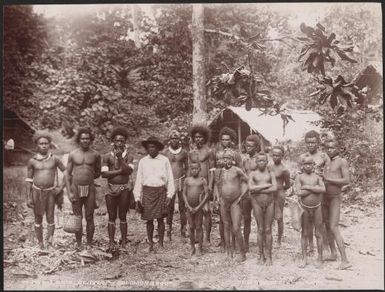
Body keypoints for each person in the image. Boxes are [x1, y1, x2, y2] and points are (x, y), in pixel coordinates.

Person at [26, 131, 70, 250]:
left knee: (50, 217)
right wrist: (28, 197)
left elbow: (67, 173)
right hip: (36, 192)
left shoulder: (55, 159)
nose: (44, 145)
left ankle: (49, 242)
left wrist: (60, 188)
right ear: (37, 144)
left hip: (51, 192)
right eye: (41, 143)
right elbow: (29, 180)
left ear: (49, 144)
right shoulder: (32, 161)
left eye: (46, 143)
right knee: (38, 217)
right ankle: (40, 243)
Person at [133, 136, 174, 252]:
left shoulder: (164, 160)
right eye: (149, 147)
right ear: (147, 148)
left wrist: (170, 195)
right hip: (147, 192)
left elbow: (170, 178)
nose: (151, 149)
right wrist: (137, 198)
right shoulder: (143, 161)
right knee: (149, 219)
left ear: (157, 148)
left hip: (161, 191)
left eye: (153, 147)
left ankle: (160, 244)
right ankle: (150, 244)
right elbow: (139, 180)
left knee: (161, 219)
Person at [66, 127, 101, 249]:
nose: (85, 141)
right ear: (79, 140)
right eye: (82, 138)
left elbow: (97, 172)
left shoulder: (96, 155)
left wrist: (88, 178)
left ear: (90, 140)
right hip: (75, 188)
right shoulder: (73, 154)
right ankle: (79, 244)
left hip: (90, 188)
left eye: (87, 138)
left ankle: (89, 243)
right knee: (77, 216)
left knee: (90, 216)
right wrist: (69, 191)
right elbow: (67, 174)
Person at [101, 127, 134, 249]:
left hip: (124, 189)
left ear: (125, 142)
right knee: (111, 215)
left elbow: (129, 171)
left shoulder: (128, 156)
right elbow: (104, 174)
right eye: (117, 141)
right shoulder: (107, 156)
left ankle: (124, 241)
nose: (119, 143)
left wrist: (120, 158)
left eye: (122, 141)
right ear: (113, 142)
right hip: (111, 188)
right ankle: (111, 241)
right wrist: (120, 171)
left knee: (123, 215)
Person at [213, 150, 248, 262]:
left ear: (232, 160)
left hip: (235, 202)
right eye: (224, 158)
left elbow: (247, 181)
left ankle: (242, 253)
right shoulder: (220, 172)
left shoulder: (237, 170)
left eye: (228, 158)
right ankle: (229, 253)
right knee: (226, 226)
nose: (226, 160)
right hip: (223, 202)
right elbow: (217, 185)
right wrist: (218, 198)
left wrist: (241, 196)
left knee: (236, 227)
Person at [212, 127, 243, 251]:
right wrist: (215, 191)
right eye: (223, 140)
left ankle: (235, 243)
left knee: (234, 219)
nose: (225, 142)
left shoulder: (236, 154)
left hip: (233, 186)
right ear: (220, 140)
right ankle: (224, 242)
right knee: (222, 217)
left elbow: (240, 172)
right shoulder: (217, 153)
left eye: (228, 140)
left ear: (231, 140)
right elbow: (214, 171)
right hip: (220, 184)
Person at [322, 139, 351, 270]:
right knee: (327, 226)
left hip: (334, 198)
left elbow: (346, 180)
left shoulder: (342, 162)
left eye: (332, 147)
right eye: (327, 148)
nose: (330, 150)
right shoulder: (328, 162)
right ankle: (333, 254)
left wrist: (328, 179)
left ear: (338, 148)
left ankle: (345, 260)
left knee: (334, 226)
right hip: (325, 197)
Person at [299, 130, 330, 253]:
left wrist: (320, 176)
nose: (310, 145)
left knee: (321, 219)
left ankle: (325, 245)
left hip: (320, 190)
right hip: (306, 190)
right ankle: (310, 245)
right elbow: (300, 173)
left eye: (313, 142)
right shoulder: (303, 157)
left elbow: (328, 173)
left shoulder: (323, 156)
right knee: (307, 220)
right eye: (308, 143)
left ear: (318, 142)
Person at [295, 155, 326, 268]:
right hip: (304, 207)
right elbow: (299, 193)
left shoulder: (318, 177)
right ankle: (304, 258)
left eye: (310, 164)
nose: (308, 166)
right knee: (304, 233)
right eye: (305, 164)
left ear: (313, 166)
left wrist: (307, 187)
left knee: (318, 233)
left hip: (317, 207)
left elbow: (323, 189)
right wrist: (314, 189)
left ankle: (320, 258)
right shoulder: (299, 177)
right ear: (302, 166)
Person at [248, 152, 277, 265]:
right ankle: (261, 255)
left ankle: (269, 256)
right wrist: (266, 185)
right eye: (259, 160)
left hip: (270, 202)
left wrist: (257, 189)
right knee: (260, 229)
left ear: (267, 162)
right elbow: (250, 188)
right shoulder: (253, 174)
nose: (261, 162)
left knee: (268, 229)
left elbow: (274, 188)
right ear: (256, 162)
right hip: (256, 202)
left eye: (263, 160)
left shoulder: (271, 174)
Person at [188, 125, 215, 245]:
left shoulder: (209, 151)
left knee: (206, 211)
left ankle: (207, 238)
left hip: (205, 185)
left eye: (200, 137)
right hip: (194, 185)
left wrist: (210, 186)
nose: (198, 139)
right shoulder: (191, 153)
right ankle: (197, 236)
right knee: (194, 209)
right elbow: (190, 170)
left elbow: (212, 171)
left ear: (205, 138)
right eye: (196, 137)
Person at [163, 130, 189, 240]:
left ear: (179, 140)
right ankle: (168, 232)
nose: (174, 140)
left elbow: (187, 168)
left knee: (183, 207)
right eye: (172, 138)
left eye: (176, 138)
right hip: (169, 181)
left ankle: (183, 231)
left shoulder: (184, 152)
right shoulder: (165, 153)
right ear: (169, 140)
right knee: (169, 207)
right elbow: (162, 168)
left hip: (181, 181)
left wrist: (186, 181)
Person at [183, 162, 210, 256]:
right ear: (190, 169)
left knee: (198, 226)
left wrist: (199, 207)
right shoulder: (187, 180)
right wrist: (188, 205)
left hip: (199, 207)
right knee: (190, 227)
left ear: (199, 169)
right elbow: (184, 193)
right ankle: (192, 247)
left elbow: (207, 194)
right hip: (189, 207)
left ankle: (200, 248)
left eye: (196, 169)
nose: (194, 170)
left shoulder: (202, 180)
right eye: (192, 169)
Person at [241, 135, 261, 252]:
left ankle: (261, 243)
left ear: (256, 147)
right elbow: (242, 175)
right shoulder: (245, 160)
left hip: (258, 193)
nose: (248, 148)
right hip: (246, 192)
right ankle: (246, 244)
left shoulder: (260, 159)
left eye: (251, 146)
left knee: (259, 219)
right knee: (246, 218)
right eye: (247, 146)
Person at [270, 145, 291, 246]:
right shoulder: (268, 167)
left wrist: (280, 189)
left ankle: (279, 240)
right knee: (268, 215)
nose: (275, 157)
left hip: (279, 194)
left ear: (282, 156)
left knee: (279, 216)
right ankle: (268, 237)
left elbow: (288, 184)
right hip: (269, 193)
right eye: (273, 155)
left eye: (278, 155)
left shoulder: (284, 170)